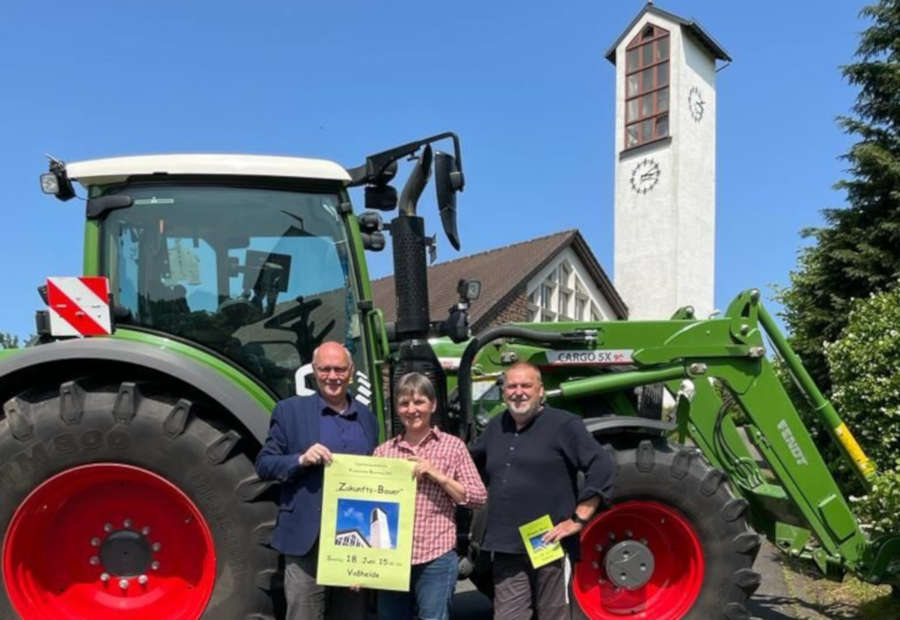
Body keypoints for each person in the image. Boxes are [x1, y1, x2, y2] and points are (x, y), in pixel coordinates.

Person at [470, 362, 615, 620]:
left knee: (553, 615)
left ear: (540, 391)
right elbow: (469, 463)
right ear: (504, 393)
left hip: (550, 543)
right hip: (506, 546)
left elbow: (601, 465)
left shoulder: (564, 425)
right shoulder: (495, 426)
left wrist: (579, 519)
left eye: (526, 385)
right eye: (512, 386)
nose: (518, 392)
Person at [255, 341, 378, 620]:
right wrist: (300, 459)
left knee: (350, 616)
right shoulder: (289, 411)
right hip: (306, 538)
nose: (332, 376)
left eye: (339, 369)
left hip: (354, 540)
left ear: (351, 371)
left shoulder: (367, 419)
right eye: (325, 369)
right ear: (314, 370)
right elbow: (264, 464)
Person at [374, 372, 487, 620]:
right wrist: (360, 565)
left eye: (419, 402)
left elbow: (478, 497)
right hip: (391, 558)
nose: (412, 409)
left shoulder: (453, 446)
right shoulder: (383, 452)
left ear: (433, 405)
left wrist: (438, 475)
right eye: (404, 403)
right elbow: (369, 507)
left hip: (435, 556)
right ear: (397, 408)